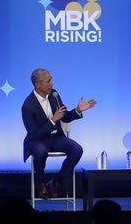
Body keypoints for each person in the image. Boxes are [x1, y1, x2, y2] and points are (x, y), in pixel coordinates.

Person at [22, 68, 97, 199]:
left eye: (51, 80)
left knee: (77, 149)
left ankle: (56, 181)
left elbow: (65, 116)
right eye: (48, 81)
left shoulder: (54, 95)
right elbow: (34, 134)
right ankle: (41, 183)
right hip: (37, 140)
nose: (52, 84)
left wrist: (78, 110)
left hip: (56, 138)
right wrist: (52, 120)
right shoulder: (28, 106)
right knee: (40, 151)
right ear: (37, 85)